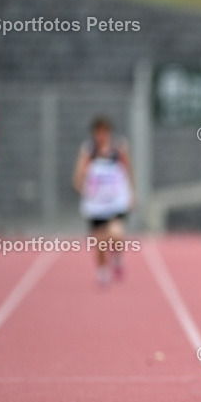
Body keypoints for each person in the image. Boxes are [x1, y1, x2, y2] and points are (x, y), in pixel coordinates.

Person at [73, 116, 134, 286]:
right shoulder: (88, 151)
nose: (101, 135)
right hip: (96, 203)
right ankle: (102, 271)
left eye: (104, 132)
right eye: (98, 132)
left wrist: (131, 193)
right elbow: (79, 173)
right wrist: (80, 185)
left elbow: (128, 171)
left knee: (116, 234)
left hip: (115, 201)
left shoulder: (118, 149)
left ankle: (116, 257)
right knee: (99, 240)